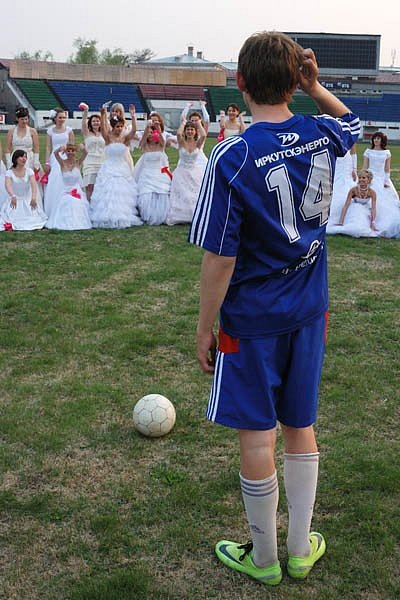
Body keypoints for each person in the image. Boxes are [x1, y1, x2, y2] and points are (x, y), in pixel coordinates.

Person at [189, 31, 360, 587]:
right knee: (300, 424)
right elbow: (353, 124)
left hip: (253, 321)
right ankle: (300, 548)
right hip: (309, 309)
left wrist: (204, 326)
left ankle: (264, 558)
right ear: (295, 80)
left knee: (257, 434)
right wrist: (316, 89)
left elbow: (221, 256)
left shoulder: (233, 155)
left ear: (239, 82)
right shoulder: (319, 130)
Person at [90, 106, 142, 228]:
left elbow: (134, 130)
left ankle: (122, 214)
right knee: (109, 190)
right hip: (109, 167)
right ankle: (108, 215)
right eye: (117, 126)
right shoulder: (108, 137)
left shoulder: (125, 139)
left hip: (122, 167)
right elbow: (103, 128)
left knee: (122, 191)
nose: (120, 129)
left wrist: (133, 116)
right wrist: (103, 114)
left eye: (121, 126)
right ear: (113, 127)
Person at [166, 119, 206, 225]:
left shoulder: (198, 143)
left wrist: (198, 124)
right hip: (182, 171)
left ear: (195, 132)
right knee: (182, 194)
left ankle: (194, 216)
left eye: (192, 130)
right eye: (188, 129)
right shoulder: (181, 142)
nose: (190, 131)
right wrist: (183, 123)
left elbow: (203, 135)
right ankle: (181, 216)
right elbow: (179, 134)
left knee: (194, 194)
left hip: (194, 171)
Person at [362, 132, 400, 237]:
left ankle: (381, 222)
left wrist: (386, 181)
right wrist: (363, 179)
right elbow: (365, 167)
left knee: (386, 201)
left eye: (378, 138)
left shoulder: (387, 153)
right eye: (375, 138)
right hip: (370, 177)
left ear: (382, 140)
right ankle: (368, 221)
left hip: (381, 177)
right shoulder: (368, 151)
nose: (376, 140)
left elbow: (387, 169)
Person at [46, 144, 91, 230]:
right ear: (65, 152)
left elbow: (86, 153)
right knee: (67, 201)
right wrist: (60, 148)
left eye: (72, 151)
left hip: (76, 190)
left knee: (76, 203)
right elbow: (55, 154)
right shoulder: (62, 163)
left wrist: (82, 147)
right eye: (68, 151)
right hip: (66, 190)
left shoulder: (78, 162)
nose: (70, 153)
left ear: (75, 152)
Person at [5, 107, 44, 208]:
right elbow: (8, 149)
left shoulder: (32, 131)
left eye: (26, 119)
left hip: (28, 158)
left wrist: (36, 162)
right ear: (17, 119)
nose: (24, 121)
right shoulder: (11, 131)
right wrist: (9, 162)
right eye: (22, 119)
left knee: (30, 180)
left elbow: (36, 148)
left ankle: (33, 203)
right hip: (15, 158)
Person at [134, 119, 171, 225]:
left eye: (152, 133)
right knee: (146, 193)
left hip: (159, 173)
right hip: (147, 173)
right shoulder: (144, 146)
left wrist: (158, 128)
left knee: (161, 193)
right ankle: (148, 214)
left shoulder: (160, 145)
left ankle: (160, 215)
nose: (150, 135)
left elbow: (163, 140)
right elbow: (142, 141)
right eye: (149, 133)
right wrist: (147, 127)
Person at [2, 150, 47, 231]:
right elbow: (7, 186)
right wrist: (13, 196)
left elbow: (34, 186)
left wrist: (33, 197)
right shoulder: (9, 172)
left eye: (25, 157)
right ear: (16, 159)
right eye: (22, 157)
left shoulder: (29, 171)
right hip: (14, 200)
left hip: (27, 200)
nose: (24, 159)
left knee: (34, 218)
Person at [327, 169, 378, 237]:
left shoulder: (372, 192)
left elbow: (373, 208)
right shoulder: (353, 190)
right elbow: (345, 206)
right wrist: (341, 222)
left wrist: (373, 223)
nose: (361, 179)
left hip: (365, 209)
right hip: (354, 208)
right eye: (359, 177)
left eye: (363, 178)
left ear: (369, 180)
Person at [44, 108, 75, 218]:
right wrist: (47, 162)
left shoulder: (69, 130)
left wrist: (68, 151)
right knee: (55, 179)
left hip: (66, 156)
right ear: (55, 118)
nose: (62, 119)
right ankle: (54, 205)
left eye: (63, 117)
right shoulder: (50, 131)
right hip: (55, 157)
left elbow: (72, 146)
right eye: (60, 117)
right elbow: (48, 147)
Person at [326, 143, 357, 229]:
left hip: (347, 161)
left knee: (347, 182)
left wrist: (354, 169)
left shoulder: (350, 136)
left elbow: (353, 152)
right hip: (337, 159)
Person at [79, 104, 106, 201]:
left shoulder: (103, 133)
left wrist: (104, 113)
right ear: (90, 123)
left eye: (98, 121)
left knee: (101, 186)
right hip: (89, 162)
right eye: (93, 121)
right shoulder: (87, 133)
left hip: (102, 162)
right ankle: (88, 205)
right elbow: (83, 123)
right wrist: (86, 110)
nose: (96, 123)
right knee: (89, 186)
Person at [180, 102, 209, 168]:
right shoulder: (187, 131)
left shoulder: (202, 131)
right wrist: (187, 106)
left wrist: (202, 106)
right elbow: (182, 118)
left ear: (200, 121)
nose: (194, 122)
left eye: (196, 120)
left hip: (200, 159)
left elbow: (207, 120)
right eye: (192, 120)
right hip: (188, 157)